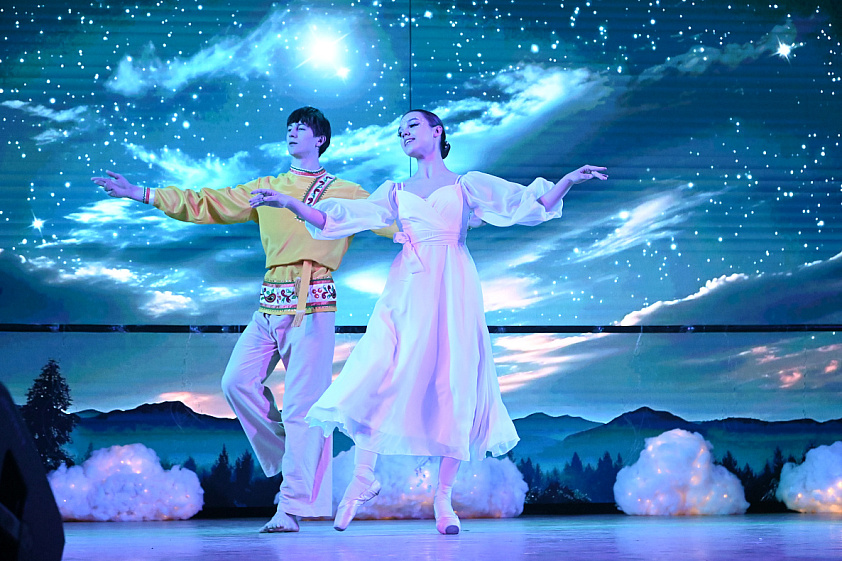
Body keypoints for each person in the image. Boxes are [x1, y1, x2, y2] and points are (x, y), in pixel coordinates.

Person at [249, 109, 607, 534]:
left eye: (412, 126)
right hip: (407, 287)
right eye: (400, 131)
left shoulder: (467, 185)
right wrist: (291, 203)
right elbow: (336, 219)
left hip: (453, 286)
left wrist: (568, 180)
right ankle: (363, 478)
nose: (404, 134)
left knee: (454, 381)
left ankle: (443, 497)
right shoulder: (395, 191)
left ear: (437, 132)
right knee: (380, 369)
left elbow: (531, 205)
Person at [92, 106, 393, 533]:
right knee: (236, 382)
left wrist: (445, 223)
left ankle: (291, 508)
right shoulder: (267, 188)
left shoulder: (346, 191)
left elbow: (389, 218)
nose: (293, 131)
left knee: (304, 408)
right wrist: (142, 193)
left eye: (302, 127)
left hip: (313, 302)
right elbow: (208, 203)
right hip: (270, 301)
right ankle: (298, 459)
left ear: (321, 139)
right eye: (289, 126)